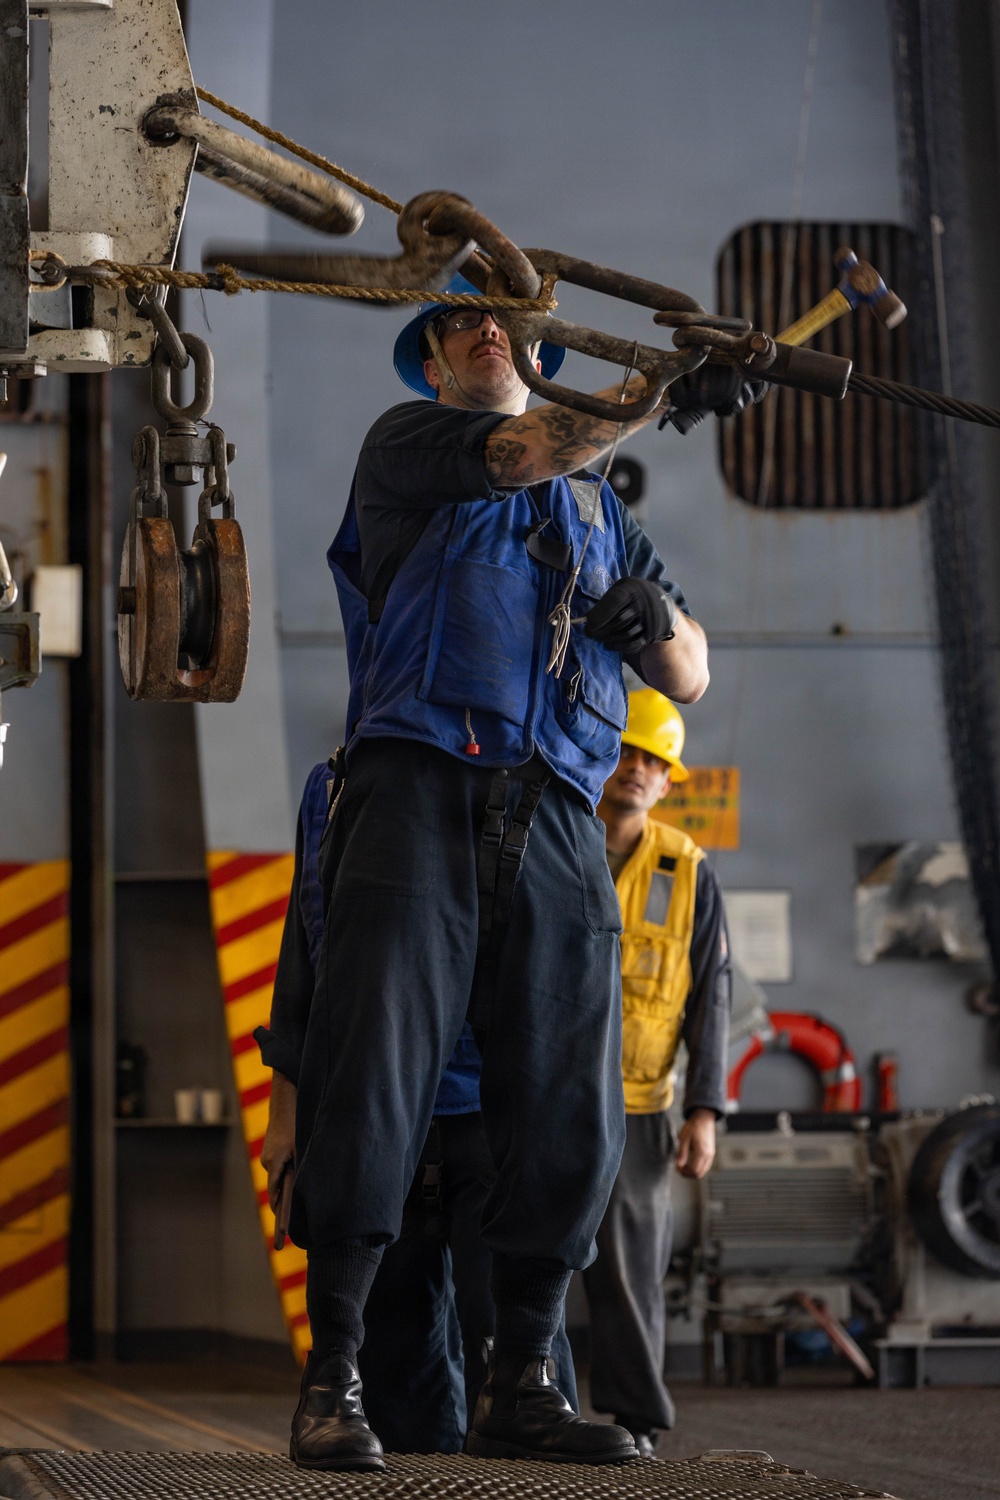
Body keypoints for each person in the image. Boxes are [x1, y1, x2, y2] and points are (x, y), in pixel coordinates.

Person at [258, 273, 761, 1471]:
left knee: (566, 1101)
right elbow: (533, 445)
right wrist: (668, 387)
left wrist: (652, 622)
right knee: (374, 1074)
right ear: (432, 363)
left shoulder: (602, 515)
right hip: (417, 782)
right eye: (460, 323)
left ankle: (522, 1383)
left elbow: (690, 674)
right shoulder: (415, 448)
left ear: (538, 349)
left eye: (510, 323)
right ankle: (333, 1380)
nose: (488, 331)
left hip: (553, 810)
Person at [258, 759, 578, 1454]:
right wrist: (286, 1115)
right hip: (375, 1116)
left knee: (516, 1354)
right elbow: (309, 953)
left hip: (490, 1117)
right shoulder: (335, 788)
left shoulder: (533, 780)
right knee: (396, 1380)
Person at [583, 689, 731, 1456]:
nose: (637, 769)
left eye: (654, 760)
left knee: (632, 1269)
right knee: (518, 1255)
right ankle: (514, 1403)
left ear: (669, 780)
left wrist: (705, 1109)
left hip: (641, 1106)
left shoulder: (687, 869)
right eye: (628, 752)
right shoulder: (554, 839)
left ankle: (637, 1419)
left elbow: (713, 991)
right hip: (546, 1097)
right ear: (600, 752)